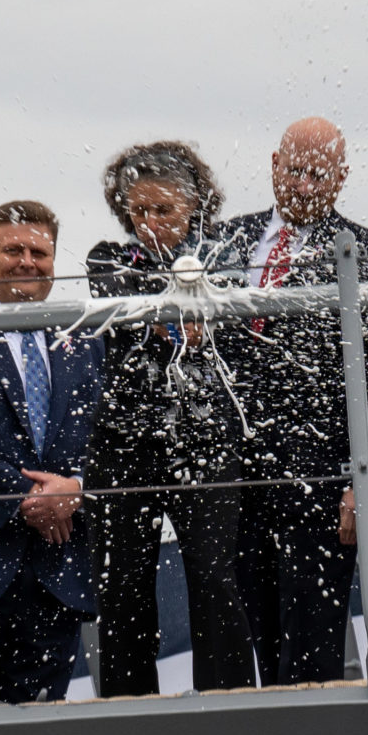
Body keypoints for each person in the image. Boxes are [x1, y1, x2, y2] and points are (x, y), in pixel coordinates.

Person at [207, 118, 368, 686]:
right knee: (250, 636)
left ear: (341, 177)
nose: (303, 186)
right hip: (235, 480)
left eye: (318, 174)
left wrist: (366, 481)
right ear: (274, 164)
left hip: (323, 481)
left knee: (314, 647)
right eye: (294, 171)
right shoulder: (218, 242)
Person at [85, 141, 256, 697]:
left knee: (212, 577)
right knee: (125, 585)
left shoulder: (227, 253)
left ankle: (229, 705)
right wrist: (164, 309)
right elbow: (113, 289)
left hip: (204, 439)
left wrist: (197, 308)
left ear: (195, 204)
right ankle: (127, 712)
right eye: (141, 211)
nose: (152, 223)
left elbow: (228, 294)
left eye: (165, 210)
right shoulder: (109, 256)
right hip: (124, 444)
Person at [0, 202, 100, 703]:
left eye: (40, 252)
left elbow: (111, 437)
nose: (27, 261)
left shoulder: (87, 339)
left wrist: (76, 487)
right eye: (13, 250)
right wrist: (24, 496)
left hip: (60, 573)